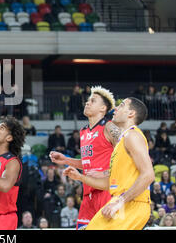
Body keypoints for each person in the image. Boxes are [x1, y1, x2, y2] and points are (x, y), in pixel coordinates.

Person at [64, 97, 155, 230]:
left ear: (131, 114)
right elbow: (110, 183)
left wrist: (120, 202)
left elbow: (148, 175)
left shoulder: (133, 136)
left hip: (132, 203)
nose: (116, 108)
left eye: (122, 105)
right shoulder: (121, 143)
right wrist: (80, 177)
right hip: (120, 201)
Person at [50, 86, 120, 230]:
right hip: (88, 193)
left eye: (93, 101)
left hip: (107, 191)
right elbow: (89, 164)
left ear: (103, 108)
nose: (87, 103)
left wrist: (107, 173)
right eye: (88, 100)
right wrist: (66, 160)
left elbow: (127, 153)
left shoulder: (109, 127)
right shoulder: (83, 131)